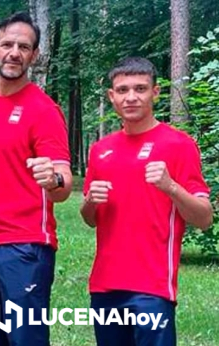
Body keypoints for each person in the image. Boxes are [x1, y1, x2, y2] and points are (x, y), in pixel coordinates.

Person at [0, 12, 73, 346]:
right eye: (7, 44)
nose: (14, 52)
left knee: (25, 340)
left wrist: (52, 178)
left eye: (24, 46)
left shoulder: (43, 109)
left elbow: (63, 182)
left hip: (25, 248)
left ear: (33, 56)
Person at [80, 57, 213, 346]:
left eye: (140, 89)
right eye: (123, 89)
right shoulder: (101, 150)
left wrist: (170, 187)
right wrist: (90, 201)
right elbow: (90, 219)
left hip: (152, 288)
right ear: (111, 96)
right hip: (104, 285)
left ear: (155, 92)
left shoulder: (178, 145)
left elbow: (204, 218)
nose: (131, 97)